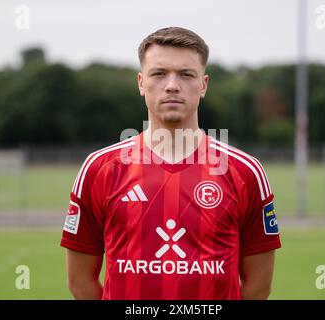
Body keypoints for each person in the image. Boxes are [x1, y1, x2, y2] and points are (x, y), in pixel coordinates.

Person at [60, 27, 281, 300]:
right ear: (141, 82)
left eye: (186, 74)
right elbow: (80, 282)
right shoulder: (99, 168)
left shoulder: (246, 172)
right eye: (159, 73)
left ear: (204, 84)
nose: (172, 85)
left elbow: (258, 286)